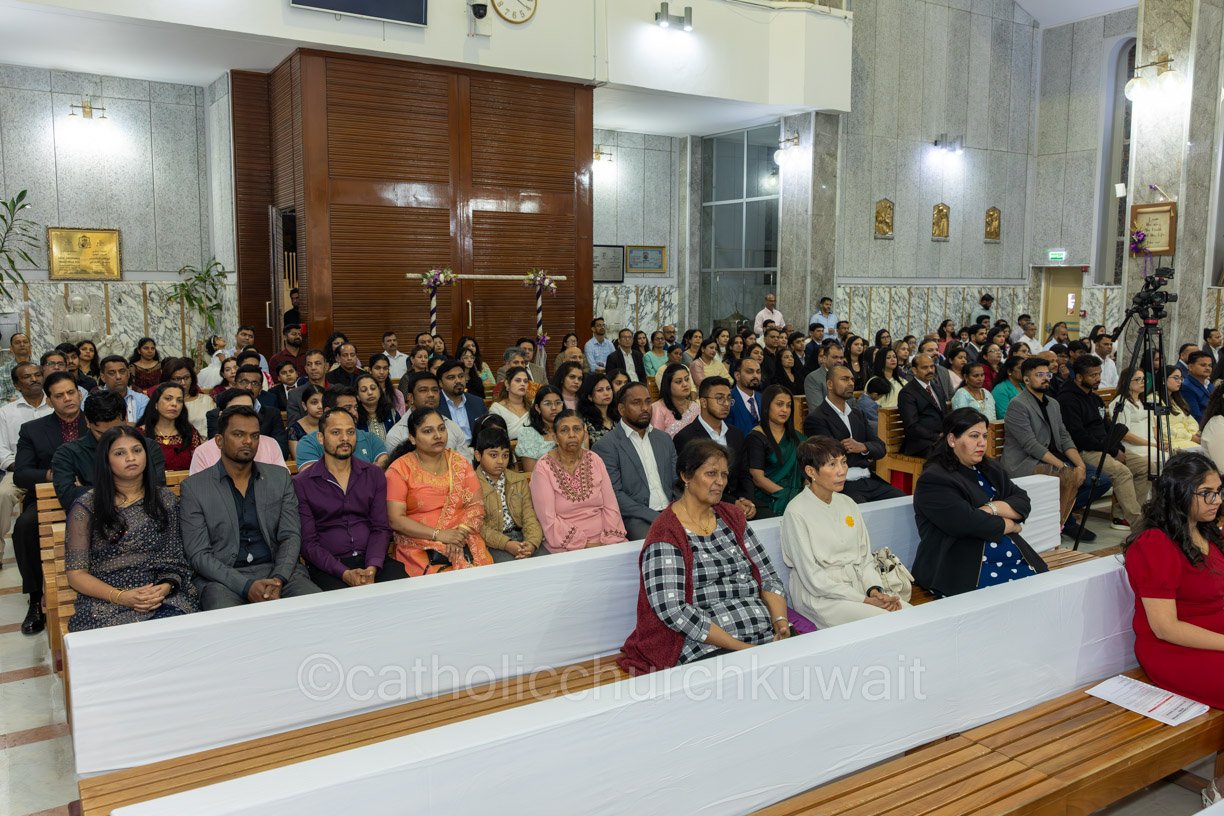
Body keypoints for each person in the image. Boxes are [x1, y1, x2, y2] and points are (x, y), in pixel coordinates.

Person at [618, 439, 789, 674]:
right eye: (711, 473)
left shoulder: (732, 517)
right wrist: (744, 649)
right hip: (706, 646)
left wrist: (780, 623)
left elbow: (768, 576)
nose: (720, 482)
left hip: (764, 634)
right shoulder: (667, 532)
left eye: (724, 475)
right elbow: (674, 610)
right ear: (686, 476)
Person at [180, 405, 321, 609]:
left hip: (278, 571)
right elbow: (198, 554)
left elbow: (290, 535)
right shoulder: (195, 488)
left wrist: (278, 578)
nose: (248, 441)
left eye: (255, 436)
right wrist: (246, 586)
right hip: (224, 579)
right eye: (238, 434)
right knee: (226, 617)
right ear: (219, 441)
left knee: (316, 607)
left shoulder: (279, 478)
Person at [64, 426, 199, 631]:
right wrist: (121, 596)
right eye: (120, 453)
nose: (131, 458)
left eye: (137, 450)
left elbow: (176, 560)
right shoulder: (87, 507)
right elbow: (76, 574)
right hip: (106, 601)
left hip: (161, 597)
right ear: (106, 461)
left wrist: (165, 588)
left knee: (176, 631)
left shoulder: (165, 500)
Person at [1122, 452, 1224, 709]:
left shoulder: (1209, 533)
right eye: (1207, 493)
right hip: (1177, 650)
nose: (1217, 501)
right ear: (1179, 492)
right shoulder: (1154, 544)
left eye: (1219, 492)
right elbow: (1165, 628)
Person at [913, 408, 1045, 597]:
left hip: (1015, 558)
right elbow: (966, 523)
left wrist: (992, 508)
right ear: (952, 439)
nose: (982, 443)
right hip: (961, 569)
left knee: (1045, 594)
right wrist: (1011, 525)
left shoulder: (989, 467)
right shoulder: (934, 478)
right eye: (974, 436)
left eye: (984, 436)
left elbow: (1023, 502)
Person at [781, 436, 905, 627]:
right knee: (888, 621)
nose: (842, 471)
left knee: (906, 612)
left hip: (858, 587)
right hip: (821, 598)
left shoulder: (848, 503)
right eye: (832, 464)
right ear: (811, 471)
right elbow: (813, 578)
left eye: (844, 462)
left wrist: (874, 591)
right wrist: (864, 600)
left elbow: (865, 559)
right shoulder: (796, 512)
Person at [293, 407, 406, 591]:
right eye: (336, 432)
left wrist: (372, 567)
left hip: (371, 560)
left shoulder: (374, 475)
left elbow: (380, 528)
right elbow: (308, 543)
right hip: (328, 566)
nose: (345, 438)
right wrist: (344, 573)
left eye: (350, 432)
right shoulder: (303, 483)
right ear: (320, 438)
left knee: (403, 589)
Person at [10, 373, 87, 634]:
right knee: (24, 526)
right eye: (59, 395)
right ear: (50, 401)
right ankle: (35, 599)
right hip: (50, 497)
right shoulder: (33, 430)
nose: (67, 399)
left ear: (79, 394)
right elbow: (21, 474)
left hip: (91, 493)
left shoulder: (95, 422)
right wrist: (56, 475)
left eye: (71, 392)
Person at [385, 408, 490, 574]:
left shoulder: (459, 463)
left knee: (485, 578)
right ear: (412, 438)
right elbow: (396, 520)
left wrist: (459, 534)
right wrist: (439, 535)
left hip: (463, 539)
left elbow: (476, 507)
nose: (438, 435)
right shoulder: (399, 470)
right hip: (419, 545)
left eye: (441, 429)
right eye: (428, 431)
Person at [1002, 357, 1098, 540]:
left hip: (1052, 458)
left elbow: (1064, 437)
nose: (1046, 378)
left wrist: (1080, 465)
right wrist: (1064, 467)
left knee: (1099, 479)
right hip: (1026, 461)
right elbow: (1030, 445)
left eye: (1048, 374)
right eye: (1040, 375)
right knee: (1067, 477)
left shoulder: (1053, 403)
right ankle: (1061, 524)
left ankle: (1061, 519)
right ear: (1026, 379)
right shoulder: (1018, 404)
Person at [1057, 354, 1148, 529]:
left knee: (1146, 466)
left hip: (1105, 447)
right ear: (1079, 377)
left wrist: (1117, 447)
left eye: (1099, 374)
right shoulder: (1067, 400)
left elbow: (1107, 427)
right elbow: (1079, 436)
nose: (1098, 378)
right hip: (1085, 451)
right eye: (1093, 375)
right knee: (1122, 472)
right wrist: (1112, 451)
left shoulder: (1094, 398)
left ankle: (1126, 514)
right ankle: (1138, 523)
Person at [530, 410, 628, 553]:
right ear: (555, 437)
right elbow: (548, 520)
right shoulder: (543, 468)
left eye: (577, 429)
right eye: (564, 430)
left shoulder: (595, 459)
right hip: (566, 545)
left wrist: (609, 541)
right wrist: (585, 545)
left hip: (605, 539)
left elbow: (611, 506)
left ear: (584, 433)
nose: (572, 435)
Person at [804, 365, 902, 504]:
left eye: (852, 380)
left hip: (869, 478)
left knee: (904, 502)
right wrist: (863, 452)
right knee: (863, 511)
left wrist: (863, 447)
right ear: (830, 384)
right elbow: (828, 456)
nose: (850, 383)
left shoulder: (857, 414)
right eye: (844, 379)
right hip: (842, 484)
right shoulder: (816, 418)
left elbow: (880, 448)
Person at [593, 382, 677, 541]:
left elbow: (676, 481)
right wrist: (656, 517)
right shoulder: (606, 446)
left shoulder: (664, 439)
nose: (645, 408)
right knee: (660, 542)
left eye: (648, 401)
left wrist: (680, 509)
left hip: (673, 511)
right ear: (621, 409)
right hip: (636, 517)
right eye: (636, 403)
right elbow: (615, 494)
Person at [673, 376, 757, 520]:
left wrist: (747, 500)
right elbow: (692, 484)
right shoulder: (686, 437)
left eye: (729, 398)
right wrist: (733, 503)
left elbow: (744, 473)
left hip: (739, 501)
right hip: (705, 505)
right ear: (703, 402)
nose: (726, 404)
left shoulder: (735, 434)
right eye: (719, 398)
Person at [473, 427, 544, 562]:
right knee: (512, 569)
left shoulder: (518, 480)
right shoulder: (471, 484)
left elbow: (529, 516)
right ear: (478, 455)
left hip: (523, 536)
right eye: (493, 455)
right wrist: (506, 544)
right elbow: (479, 527)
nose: (500, 461)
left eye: (505, 455)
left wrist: (532, 542)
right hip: (493, 543)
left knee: (547, 563)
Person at [0, 363, 51, 541]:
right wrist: (22, 468)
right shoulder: (5, 412)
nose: (34, 379)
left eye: (37, 375)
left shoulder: (55, 406)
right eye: (27, 377)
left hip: (53, 470)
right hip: (17, 470)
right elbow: (1, 449)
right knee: (2, 495)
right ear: (16, 385)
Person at [190, 390, 287, 475]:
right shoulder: (203, 452)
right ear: (221, 415)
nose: (244, 415)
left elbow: (282, 482)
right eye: (236, 410)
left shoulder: (271, 444)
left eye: (249, 409)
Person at [296, 385, 389, 470]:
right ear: (328, 411)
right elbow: (312, 477)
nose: (354, 413)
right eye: (347, 408)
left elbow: (384, 465)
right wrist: (368, 471)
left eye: (356, 407)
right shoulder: (309, 443)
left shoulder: (370, 438)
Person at [385, 372, 472, 461]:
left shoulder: (452, 426)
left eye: (435, 390)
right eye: (423, 390)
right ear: (410, 397)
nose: (431, 394)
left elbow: (466, 462)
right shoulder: (397, 434)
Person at [745, 384, 804, 516]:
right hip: (769, 499)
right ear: (767, 406)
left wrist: (806, 495)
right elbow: (758, 478)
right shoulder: (756, 437)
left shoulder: (798, 438)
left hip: (799, 496)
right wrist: (786, 495)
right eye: (779, 404)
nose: (785, 410)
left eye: (788, 405)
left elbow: (807, 471)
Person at [139, 382, 202, 471]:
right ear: (156, 404)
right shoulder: (141, 434)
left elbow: (198, 466)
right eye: (168, 399)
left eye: (179, 400)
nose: (174, 404)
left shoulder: (189, 432)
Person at [897, 353, 947, 456]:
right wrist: (937, 437)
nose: (930, 370)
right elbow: (912, 426)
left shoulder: (936, 387)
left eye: (932, 366)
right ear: (914, 370)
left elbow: (944, 414)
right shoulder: (907, 393)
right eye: (925, 367)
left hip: (941, 439)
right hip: (921, 444)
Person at [161, 358, 213, 440]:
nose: (183, 383)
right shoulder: (163, 403)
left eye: (186, 377)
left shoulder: (206, 400)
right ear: (167, 380)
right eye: (177, 379)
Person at [87, 355, 150, 422]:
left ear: (128, 374)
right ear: (103, 377)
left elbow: (144, 426)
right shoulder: (93, 401)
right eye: (112, 373)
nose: (118, 377)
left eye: (122, 372)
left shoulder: (142, 400)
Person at [515, 386, 563, 472]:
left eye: (558, 403)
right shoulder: (528, 434)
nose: (554, 408)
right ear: (538, 408)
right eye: (547, 404)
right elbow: (531, 472)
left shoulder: (570, 430)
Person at [651, 363, 699, 437]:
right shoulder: (657, 408)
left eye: (687, 379)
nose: (685, 384)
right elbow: (657, 439)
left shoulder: (695, 407)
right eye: (678, 382)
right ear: (668, 385)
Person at [286, 349, 329, 426]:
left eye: (317, 363)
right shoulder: (295, 394)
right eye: (309, 364)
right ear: (306, 369)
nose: (313, 368)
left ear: (326, 366)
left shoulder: (337, 391)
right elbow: (293, 426)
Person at [354, 372, 400, 444]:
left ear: (379, 391)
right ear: (358, 396)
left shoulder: (392, 413)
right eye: (364, 390)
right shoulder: (355, 418)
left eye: (373, 388)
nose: (370, 392)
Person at [489, 366, 532, 441]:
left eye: (525, 381)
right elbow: (497, 438)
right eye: (518, 380)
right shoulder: (497, 409)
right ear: (507, 383)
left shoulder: (533, 406)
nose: (523, 384)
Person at [802, 339, 845, 413]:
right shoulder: (813, 378)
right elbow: (817, 409)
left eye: (841, 358)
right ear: (824, 359)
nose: (839, 361)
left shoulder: (846, 376)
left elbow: (851, 404)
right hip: (825, 418)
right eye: (835, 357)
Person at [728, 357, 765, 438]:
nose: (755, 376)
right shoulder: (727, 400)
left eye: (758, 372)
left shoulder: (763, 398)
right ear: (737, 375)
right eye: (750, 372)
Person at [577, 372, 617, 446]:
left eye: (608, 389)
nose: (606, 393)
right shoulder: (585, 423)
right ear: (590, 397)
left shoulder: (618, 417)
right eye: (600, 390)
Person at [288, 383, 325, 461]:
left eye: (323, 402)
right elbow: (298, 461)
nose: (320, 406)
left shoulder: (333, 425)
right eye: (314, 402)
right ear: (304, 405)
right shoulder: (295, 430)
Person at [1182, 350, 1214, 422]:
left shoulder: (1209, 385)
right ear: (1190, 367)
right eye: (1203, 365)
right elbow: (1195, 416)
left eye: (1210, 365)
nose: (1208, 368)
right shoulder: (1186, 387)